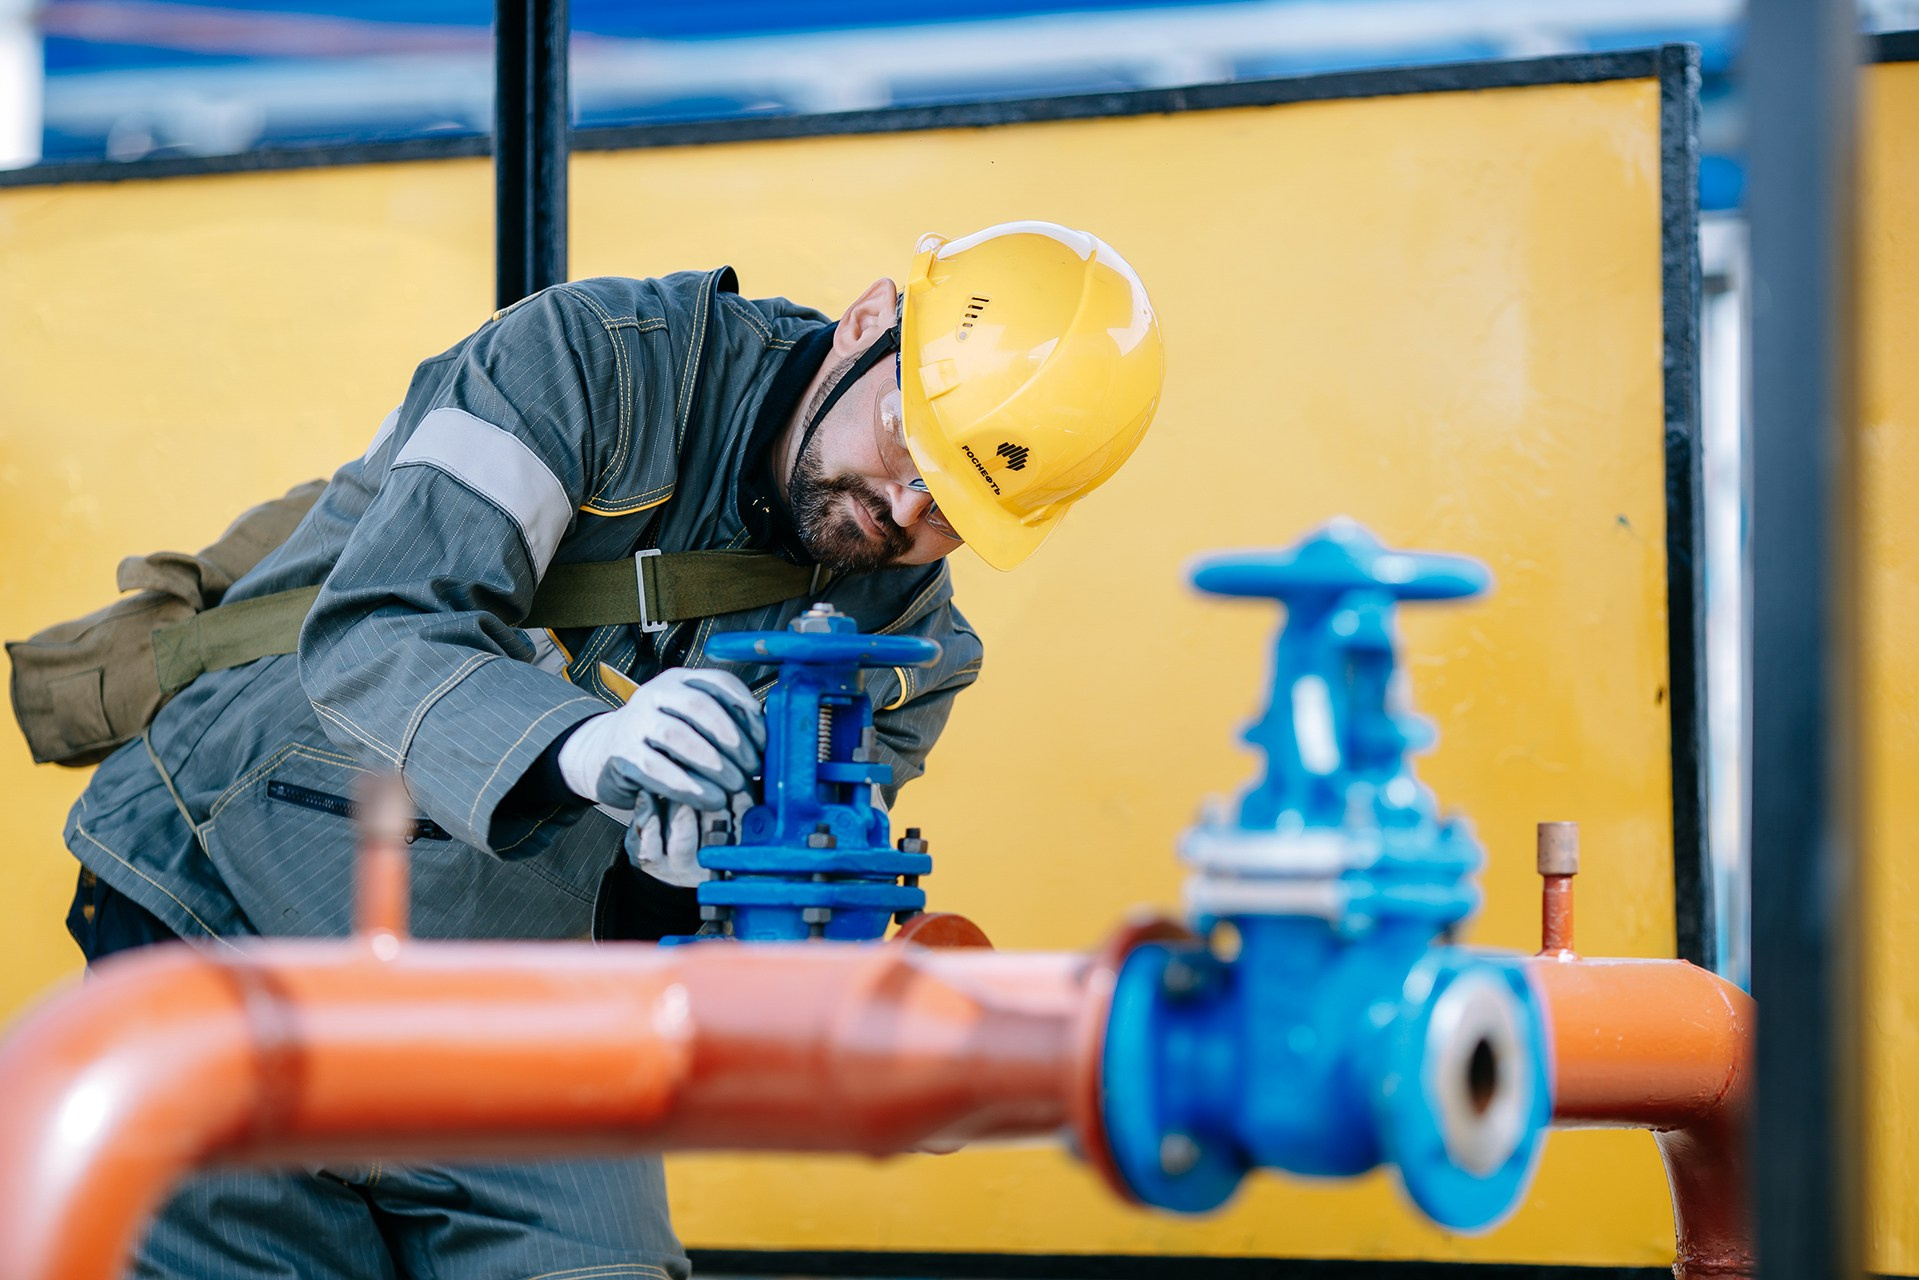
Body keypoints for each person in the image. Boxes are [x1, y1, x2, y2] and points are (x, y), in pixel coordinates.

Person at [61, 220, 1164, 1279]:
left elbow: (701, 957)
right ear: (869, 320)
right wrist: (581, 745)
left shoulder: (910, 645)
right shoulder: (591, 365)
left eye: (960, 504)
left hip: (514, 1002)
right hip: (227, 895)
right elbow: (378, 629)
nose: (903, 506)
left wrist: (671, 887)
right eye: (907, 442)